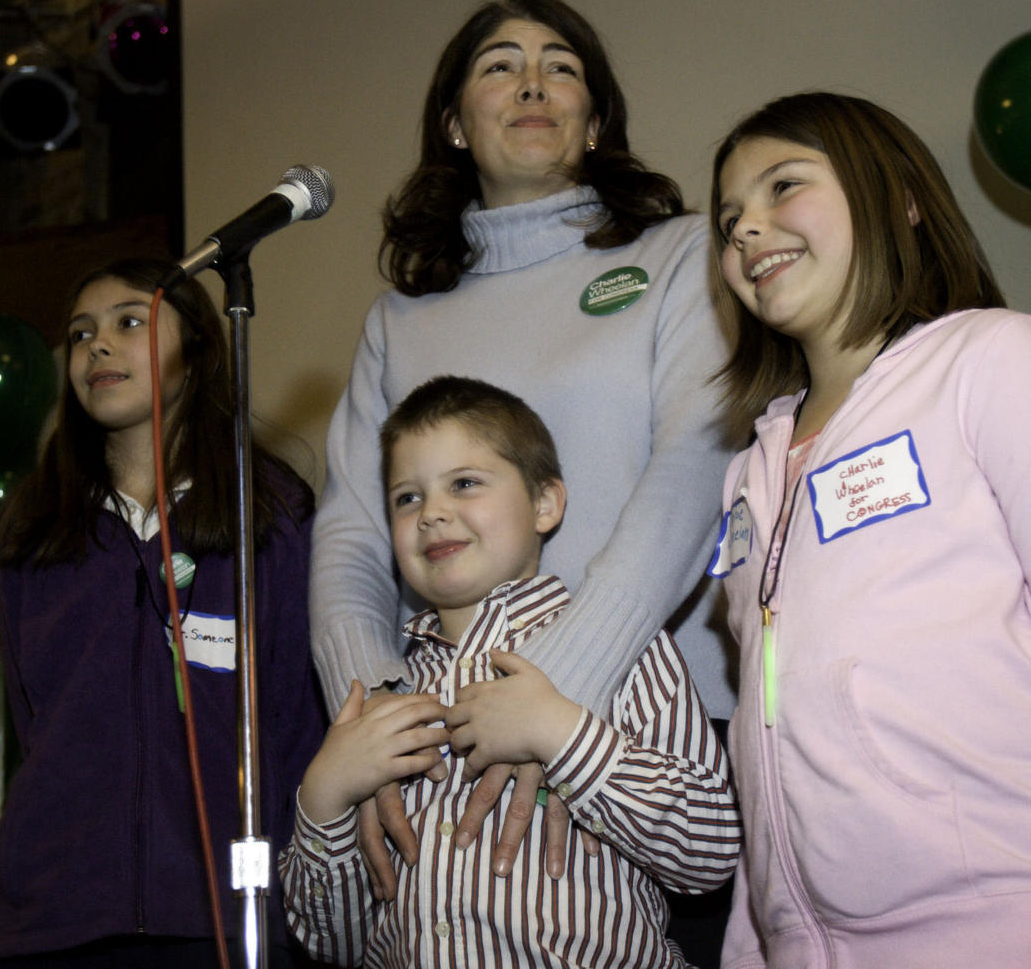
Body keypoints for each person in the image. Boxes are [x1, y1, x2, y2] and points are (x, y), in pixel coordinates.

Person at [705, 93, 1031, 968]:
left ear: (899, 199)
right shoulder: (749, 469)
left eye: (783, 186)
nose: (747, 229)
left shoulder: (991, 360)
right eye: (728, 217)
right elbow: (762, 733)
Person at [308, 0, 735, 941]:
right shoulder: (399, 319)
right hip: (446, 743)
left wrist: (559, 691)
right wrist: (379, 715)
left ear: (594, 121)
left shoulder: (678, 255)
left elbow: (697, 461)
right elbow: (347, 531)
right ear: (455, 124)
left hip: (646, 734)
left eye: (562, 66)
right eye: (499, 65)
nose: (533, 81)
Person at [281, 376, 740, 967]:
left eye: (465, 484)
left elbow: (707, 853)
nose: (432, 514)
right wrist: (322, 798)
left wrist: (562, 734)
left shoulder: (626, 653)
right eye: (407, 498)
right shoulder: (382, 707)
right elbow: (330, 943)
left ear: (545, 503)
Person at [0, 259, 325, 966]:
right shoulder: (37, 529)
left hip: (226, 919)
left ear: (198, 350)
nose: (97, 346)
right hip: (60, 922)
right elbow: (32, 723)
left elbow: (296, 716)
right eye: (81, 334)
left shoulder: (268, 514)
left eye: (128, 323)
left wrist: (299, 886)